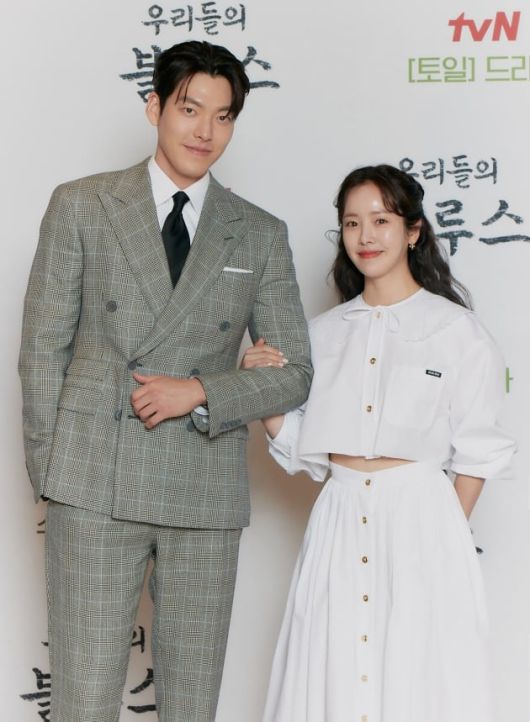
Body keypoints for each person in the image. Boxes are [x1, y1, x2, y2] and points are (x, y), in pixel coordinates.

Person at [18, 40, 311, 722]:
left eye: (223, 116)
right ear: (155, 107)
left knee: (191, 705)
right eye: (189, 109)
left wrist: (202, 390)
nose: (205, 131)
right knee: (84, 701)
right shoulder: (84, 205)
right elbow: (42, 350)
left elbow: (295, 372)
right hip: (93, 485)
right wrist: (54, 477)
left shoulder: (258, 232)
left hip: (203, 491)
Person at [242, 165, 515, 722]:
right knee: (333, 668)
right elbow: (306, 451)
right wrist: (263, 396)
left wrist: (440, 537)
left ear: (413, 230)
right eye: (351, 223)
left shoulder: (458, 331)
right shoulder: (321, 335)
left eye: (381, 220)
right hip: (339, 518)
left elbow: (478, 452)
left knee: (420, 673)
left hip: (422, 519)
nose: (365, 236)